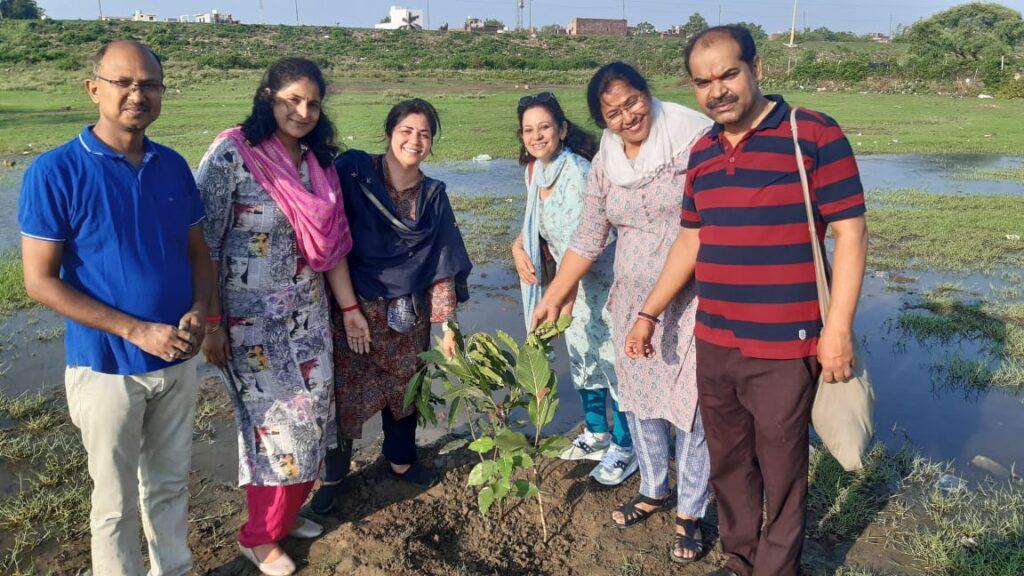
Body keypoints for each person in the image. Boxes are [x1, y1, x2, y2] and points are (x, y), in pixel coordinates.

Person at [625, 26, 868, 576]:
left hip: (787, 343)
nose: (717, 91)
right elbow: (692, 239)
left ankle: (776, 569)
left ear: (757, 68)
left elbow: (850, 234)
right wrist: (648, 313)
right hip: (714, 340)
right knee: (730, 463)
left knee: (782, 468)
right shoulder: (704, 152)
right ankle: (740, 560)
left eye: (728, 74)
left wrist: (838, 330)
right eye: (703, 82)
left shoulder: (812, 133)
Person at [18, 40, 212, 576]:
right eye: (123, 82)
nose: (137, 94)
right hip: (106, 367)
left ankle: (172, 569)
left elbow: (200, 256)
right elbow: (39, 281)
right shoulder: (55, 171)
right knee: (114, 501)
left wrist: (199, 311)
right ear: (94, 88)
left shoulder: (172, 166)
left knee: (170, 485)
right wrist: (136, 330)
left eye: (149, 84)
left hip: (177, 360)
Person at [530, 62, 714, 563]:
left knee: (693, 408)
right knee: (640, 400)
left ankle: (691, 513)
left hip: (694, 296)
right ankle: (654, 489)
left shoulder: (692, 139)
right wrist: (555, 293)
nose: (627, 115)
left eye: (633, 101)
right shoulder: (608, 161)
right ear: (602, 120)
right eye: (613, 112)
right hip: (630, 299)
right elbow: (589, 235)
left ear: (647, 94)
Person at [197, 57, 368, 576]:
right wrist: (211, 322)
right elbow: (204, 244)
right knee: (276, 428)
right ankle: (258, 536)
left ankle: (286, 515)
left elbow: (332, 245)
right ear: (267, 95)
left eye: (313, 102)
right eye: (292, 99)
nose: (304, 110)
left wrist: (350, 309)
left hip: (308, 318)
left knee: (314, 418)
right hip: (249, 325)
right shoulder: (233, 154)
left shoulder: (316, 163)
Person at [310, 98, 472, 513]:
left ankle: (401, 462)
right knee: (342, 393)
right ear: (389, 133)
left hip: (406, 317)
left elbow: (442, 263)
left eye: (424, 134)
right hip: (353, 311)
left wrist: (448, 326)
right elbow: (329, 237)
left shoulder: (433, 196)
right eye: (406, 131)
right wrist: (348, 310)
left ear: (432, 144)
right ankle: (333, 478)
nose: (414, 141)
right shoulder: (354, 174)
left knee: (405, 391)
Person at [510, 92, 636, 485]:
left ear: (562, 129)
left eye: (544, 127)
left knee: (614, 360)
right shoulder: (534, 173)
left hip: (603, 280)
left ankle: (625, 446)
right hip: (570, 286)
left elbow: (594, 238)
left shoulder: (580, 172)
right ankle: (596, 433)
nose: (536, 135)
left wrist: (561, 295)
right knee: (582, 357)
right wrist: (518, 246)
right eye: (528, 130)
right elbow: (538, 226)